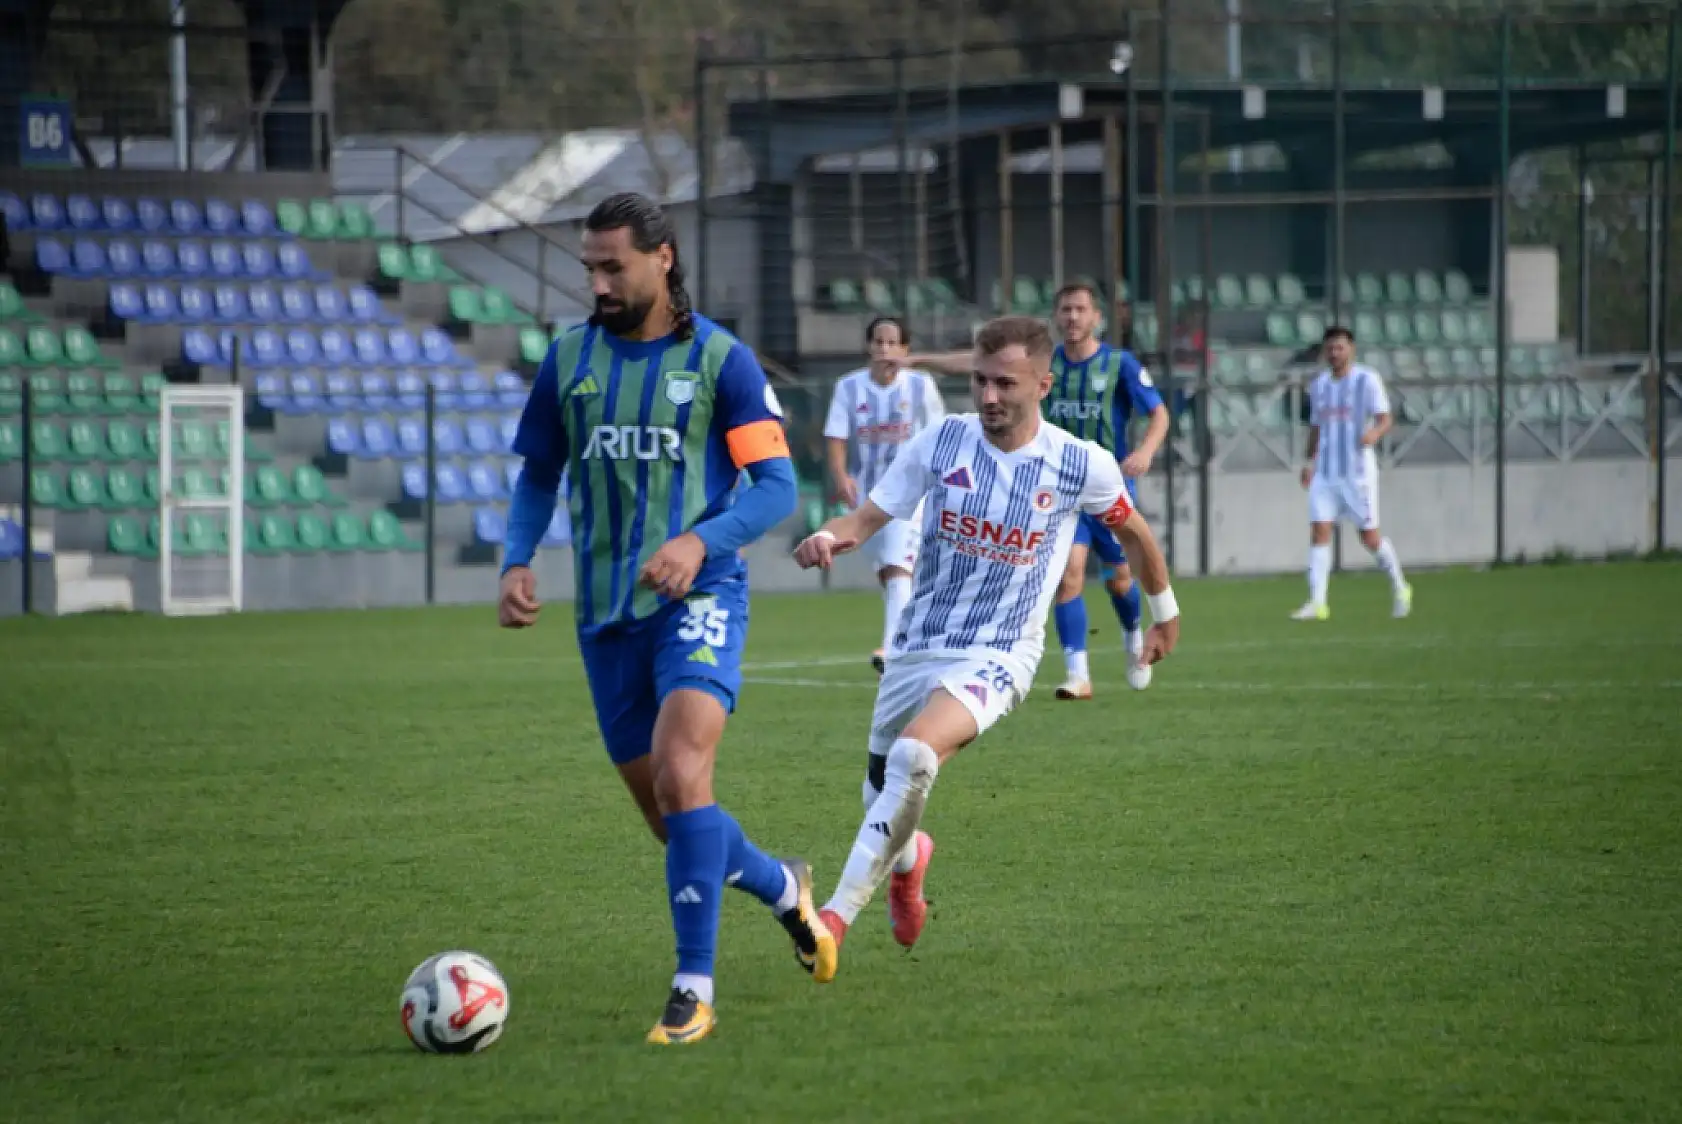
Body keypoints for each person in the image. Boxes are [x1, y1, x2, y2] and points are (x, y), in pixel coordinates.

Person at [499, 192, 835, 1046]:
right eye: (590, 267)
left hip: (701, 597)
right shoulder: (568, 357)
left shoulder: (722, 360)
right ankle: (780, 885)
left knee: (686, 776)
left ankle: (692, 991)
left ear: (664, 258)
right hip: (605, 616)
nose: (599, 282)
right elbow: (540, 472)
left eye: (613, 266)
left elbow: (774, 490)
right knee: (672, 820)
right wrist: (516, 558)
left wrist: (696, 541)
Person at [792, 315, 1181, 967]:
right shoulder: (940, 442)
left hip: (1001, 652)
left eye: (1006, 382)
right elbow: (864, 518)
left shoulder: (1079, 462)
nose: (989, 394)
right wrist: (830, 537)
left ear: (1044, 383)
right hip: (918, 645)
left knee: (916, 758)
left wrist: (1164, 611)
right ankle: (909, 867)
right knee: (880, 792)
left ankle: (832, 919)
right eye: (979, 380)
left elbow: (1136, 534)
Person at [1041, 282, 1169, 700]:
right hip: (1060, 491)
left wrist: (1146, 451)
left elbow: (1159, 414)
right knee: (1069, 575)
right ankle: (1078, 674)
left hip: (1108, 488)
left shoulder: (1120, 364)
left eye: (1080, 309)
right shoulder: (1044, 363)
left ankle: (1133, 637)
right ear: (1056, 316)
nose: (1072, 317)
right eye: (1065, 309)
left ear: (1097, 317)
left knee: (1118, 579)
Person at [822, 316, 947, 675]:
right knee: (890, 572)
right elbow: (835, 437)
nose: (885, 349)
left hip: (910, 493)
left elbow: (940, 434)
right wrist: (841, 476)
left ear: (905, 351)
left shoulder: (921, 387)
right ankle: (915, 638)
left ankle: (892, 646)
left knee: (897, 567)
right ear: (868, 347)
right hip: (868, 493)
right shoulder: (849, 388)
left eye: (893, 343)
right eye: (879, 342)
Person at [1293, 325, 1413, 621]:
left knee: (1369, 538)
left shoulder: (1367, 380)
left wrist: (1374, 433)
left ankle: (1400, 587)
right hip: (1326, 473)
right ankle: (1317, 602)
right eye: (1330, 348)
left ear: (1351, 349)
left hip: (1357, 474)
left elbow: (1386, 418)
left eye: (1340, 347)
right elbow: (1316, 427)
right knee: (1319, 531)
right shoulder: (1319, 385)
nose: (1335, 353)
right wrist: (1309, 462)